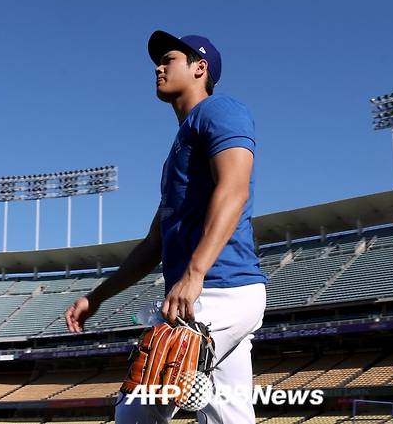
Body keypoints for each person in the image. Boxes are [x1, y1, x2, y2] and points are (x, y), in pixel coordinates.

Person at [64, 30, 267, 424]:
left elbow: (235, 189)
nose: (158, 66)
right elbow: (154, 243)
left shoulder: (219, 110)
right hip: (217, 293)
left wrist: (194, 274)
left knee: (138, 411)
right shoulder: (181, 145)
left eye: (169, 58)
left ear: (199, 68)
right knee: (228, 416)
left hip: (217, 291)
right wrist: (97, 297)